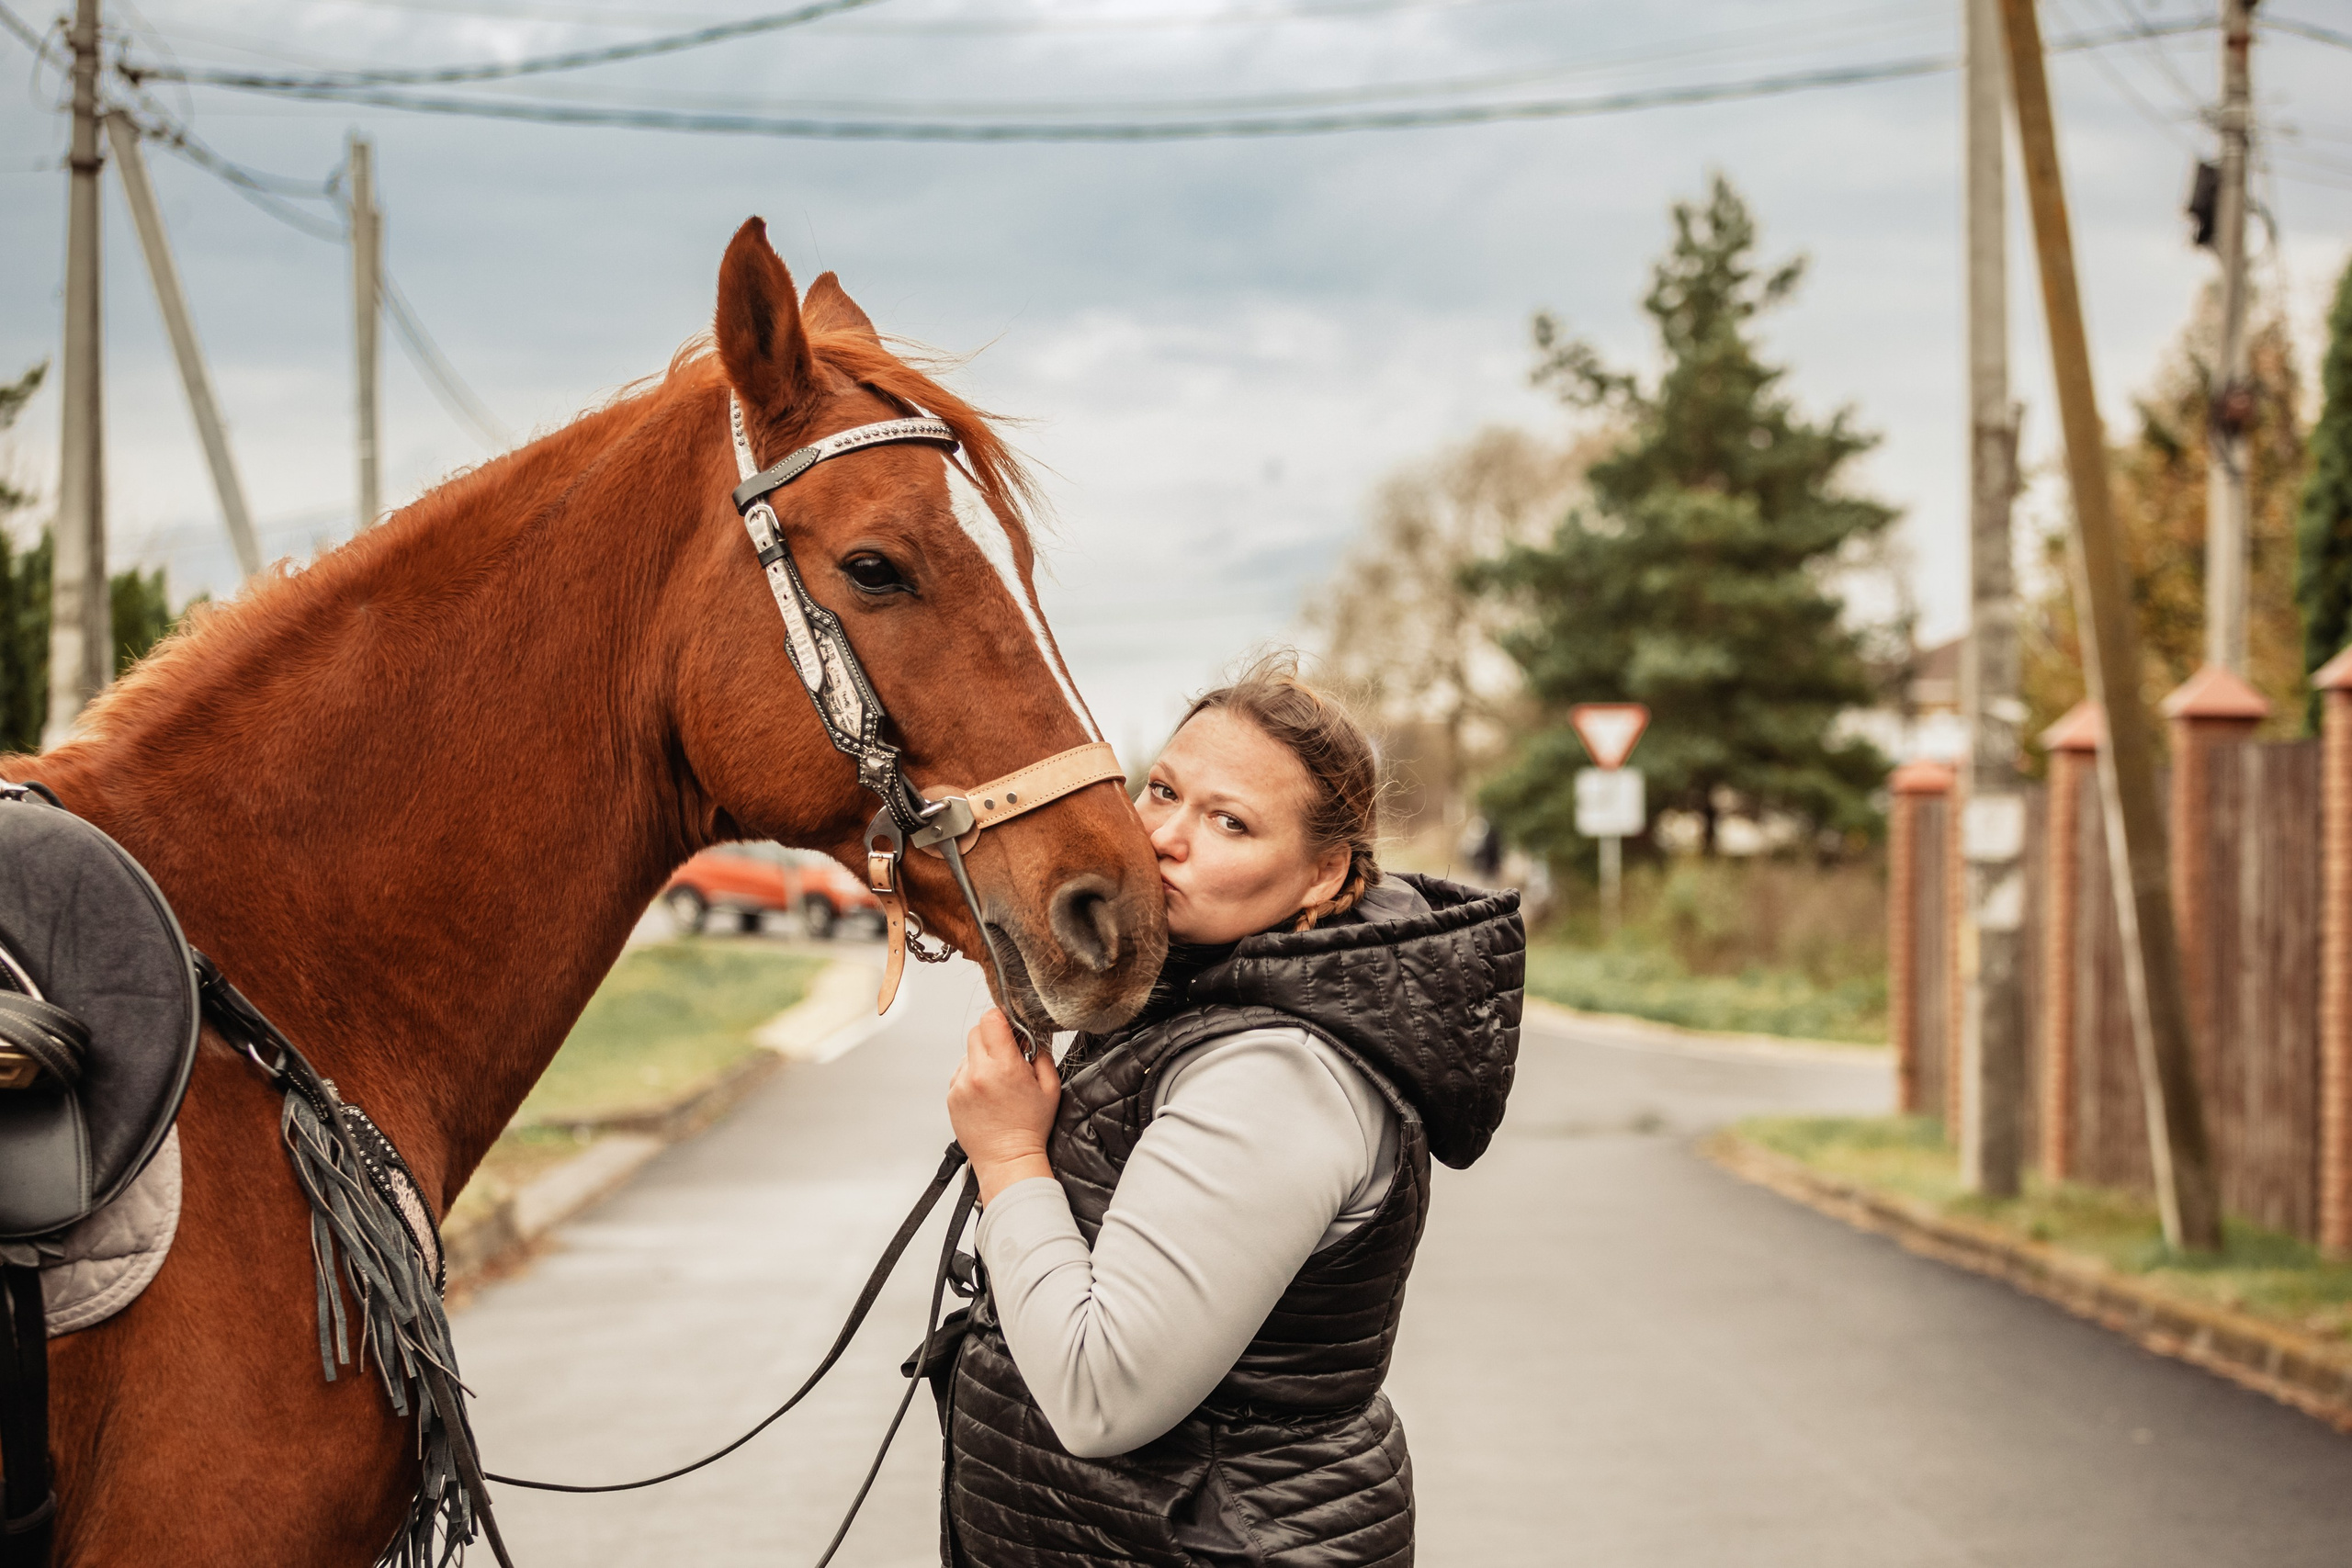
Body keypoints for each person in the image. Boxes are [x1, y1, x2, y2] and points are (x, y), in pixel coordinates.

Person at [941, 660, 1525, 1567]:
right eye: (1162, 790)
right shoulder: (1200, 1002)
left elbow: (1103, 1396)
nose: (1166, 836)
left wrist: (1011, 1156)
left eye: (1229, 822)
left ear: (1321, 878)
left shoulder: (1275, 1074)